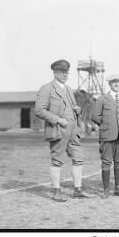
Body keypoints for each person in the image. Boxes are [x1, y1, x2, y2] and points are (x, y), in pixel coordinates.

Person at [35, 59, 91, 202]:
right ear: (54, 73)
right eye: (61, 72)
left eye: (66, 72)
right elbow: (39, 110)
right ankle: (56, 191)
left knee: (79, 157)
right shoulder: (46, 88)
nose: (64, 75)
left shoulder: (68, 89)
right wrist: (58, 120)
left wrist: (76, 110)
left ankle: (77, 190)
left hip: (73, 131)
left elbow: (70, 108)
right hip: (58, 129)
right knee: (57, 160)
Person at [91, 74, 119, 198]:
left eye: (118, 82)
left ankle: (118, 188)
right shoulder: (102, 99)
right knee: (106, 162)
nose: (116, 84)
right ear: (109, 84)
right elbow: (95, 116)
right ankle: (106, 190)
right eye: (114, 82)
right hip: (107, 136)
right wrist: (105, 125)